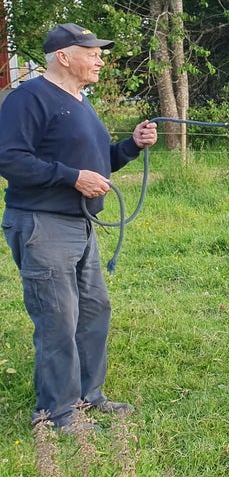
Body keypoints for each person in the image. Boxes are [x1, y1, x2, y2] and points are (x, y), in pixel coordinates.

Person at [0, 23, 157, 432]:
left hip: (80, 225)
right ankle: (56, 413)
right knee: (58, 319)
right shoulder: (28, 98)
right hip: (42, 223)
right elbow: (9, 159)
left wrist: (130, 146)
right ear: (64, 57)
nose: (100, 58)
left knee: (93, 311)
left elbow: (97, 162)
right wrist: (71, 178)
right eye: (92, 51)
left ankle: (89, 397)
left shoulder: (81, 101)